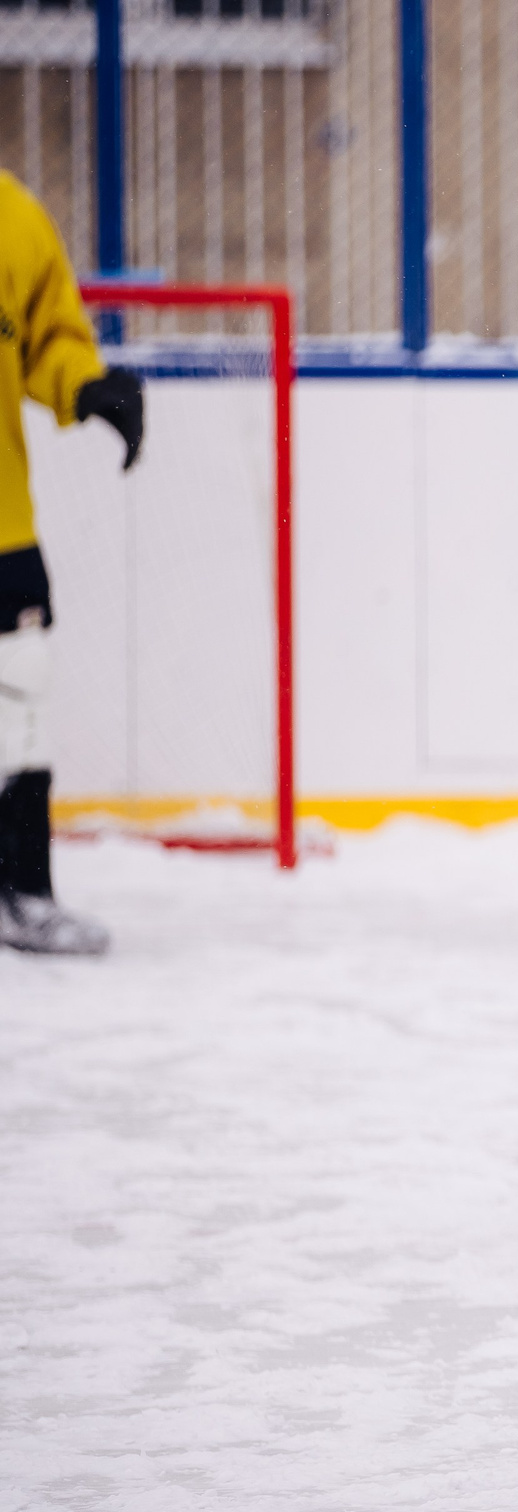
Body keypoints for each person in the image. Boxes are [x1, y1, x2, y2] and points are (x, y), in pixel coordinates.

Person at [0, 170, 145, 954]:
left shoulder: (16, 217)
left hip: (3, 523)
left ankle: (23, 895)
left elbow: (49, 338)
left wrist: (89, 388)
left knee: (21, 714)